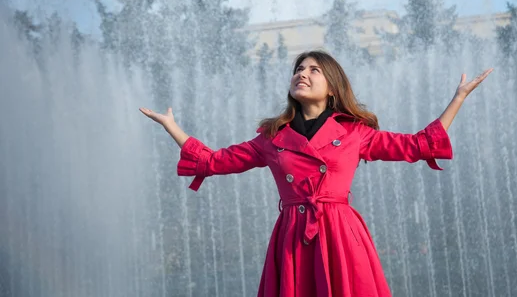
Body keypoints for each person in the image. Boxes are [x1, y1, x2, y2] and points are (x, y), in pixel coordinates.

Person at [140, 50, 493, 297]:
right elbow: (214, 161)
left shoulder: (356, 132)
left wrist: (458, 98)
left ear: (333, 87)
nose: (301, 74)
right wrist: (172, 127)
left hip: (340, 232)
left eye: (313, 70)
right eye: (298, 69)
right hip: (293, 236)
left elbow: (417, 145)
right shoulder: (271, 137)